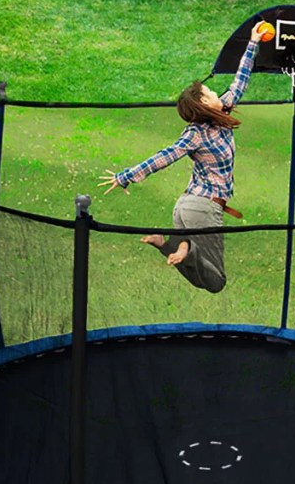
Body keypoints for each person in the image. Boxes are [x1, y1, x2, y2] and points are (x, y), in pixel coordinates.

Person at [98, 21, 264, 293]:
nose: (215, 92)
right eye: (209, 93)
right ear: (203, 105)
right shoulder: (196, 134)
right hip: (203, 209)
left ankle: (167, 245)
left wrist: (253, 42)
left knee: (200, 272)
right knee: (216, 282)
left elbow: (241, 81)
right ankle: (185, 249)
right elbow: (165, 156)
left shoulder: (219, 115)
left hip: (185, 207)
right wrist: (126, 176)